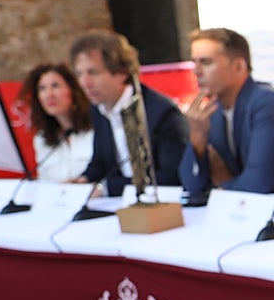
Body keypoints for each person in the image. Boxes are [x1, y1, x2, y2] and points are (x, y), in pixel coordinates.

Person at [180, 27, 274, 195]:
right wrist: (197, 139)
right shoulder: (213, 112)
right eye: (194, 62)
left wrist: (219, 187)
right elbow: (191, 186)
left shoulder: (267, 102)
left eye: (206, 62)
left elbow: (258, 184)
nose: (196, 71)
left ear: (238, 66)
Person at [71, 31, 188, 196]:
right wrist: (83, 181)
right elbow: (101, 162)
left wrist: (107, 188)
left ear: (121, 72)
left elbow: (172, 177)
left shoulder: (161, 112)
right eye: (79, 74)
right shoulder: (99, 109)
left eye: (93, 73)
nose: (84, 83)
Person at [19, 62, 94, 182]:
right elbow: (44, 184)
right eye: (42, 88)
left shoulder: (96, 129)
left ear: (73, 90)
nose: (49, 95)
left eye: (55, 86)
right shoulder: (41, 139)